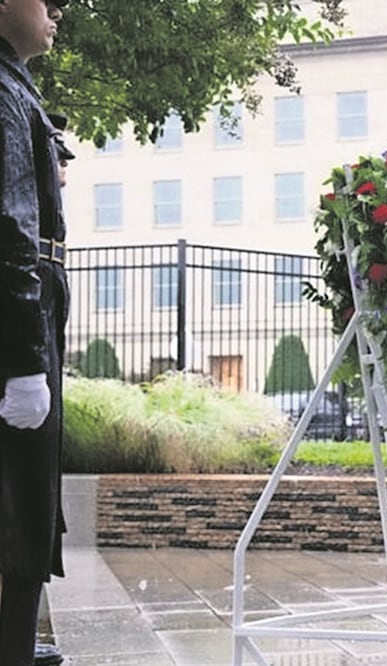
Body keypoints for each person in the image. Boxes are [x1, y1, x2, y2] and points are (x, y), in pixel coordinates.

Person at [0, 2, 71, 665]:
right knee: (18, 503)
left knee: (22, 499)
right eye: (45, 0)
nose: (56, 12)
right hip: (20, 322)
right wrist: (25, 360)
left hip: (31, 309)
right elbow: (11, 228)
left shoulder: (13, 85)